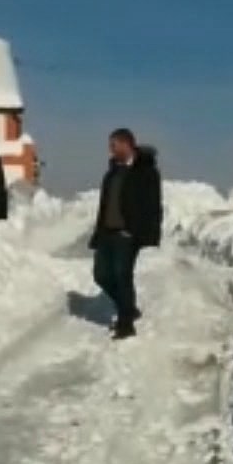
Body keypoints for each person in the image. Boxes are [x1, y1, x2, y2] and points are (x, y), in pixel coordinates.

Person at [89, 128, 162, 340]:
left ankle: (126, 324)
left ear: (126, 144)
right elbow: (104, 206)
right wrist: (98, 233)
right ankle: (128, 307)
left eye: (113, 146)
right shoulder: (112, 173)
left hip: (127, 235)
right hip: (107, 233)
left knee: (122, 276)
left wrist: (144, 233)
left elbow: (153, 205)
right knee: (101, 275)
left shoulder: (146, 171)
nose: (110, 150)